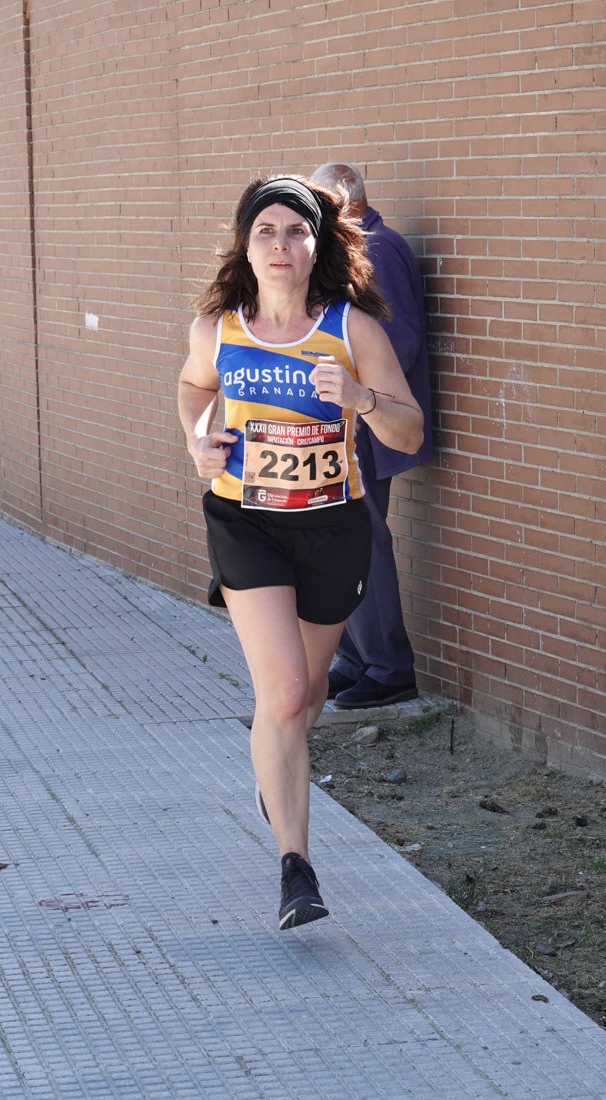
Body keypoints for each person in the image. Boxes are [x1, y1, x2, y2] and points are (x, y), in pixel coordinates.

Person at [177, 176, 423, 930]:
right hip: (245, 523)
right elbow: (193, 388)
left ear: (316, 245)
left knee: (306, 695)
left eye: (295, 231)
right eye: (265, 232)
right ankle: (297, 869)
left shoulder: (353, 331)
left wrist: (361, 400)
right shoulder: (218, 327)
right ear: (244, 245)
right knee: (282, 694)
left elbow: (407, 434)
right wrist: (198, 440)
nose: (280, 245)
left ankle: (274, 765)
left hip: (332, 528)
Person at [310, 163, 433, 709]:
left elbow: (398, 344)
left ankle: (390, 668)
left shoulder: (377, 249)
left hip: (368, 417)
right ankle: (357, 657)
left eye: (318, 202)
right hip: (352, 414)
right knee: (343, 535)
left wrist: (363, 400)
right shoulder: (362, 248)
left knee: (362, 536)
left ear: (342, 200)